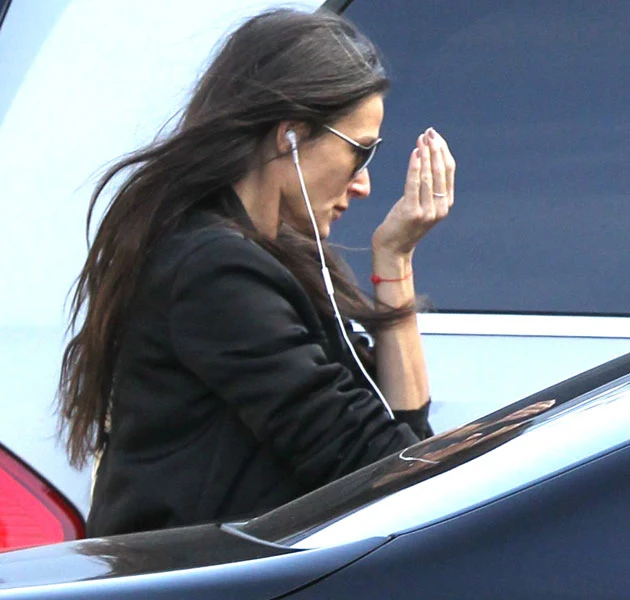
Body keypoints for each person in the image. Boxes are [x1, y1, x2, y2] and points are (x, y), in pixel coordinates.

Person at [57, 7, 455, 537]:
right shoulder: (214, 272)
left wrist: (395, 259)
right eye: (359, 153)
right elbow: (378, 469)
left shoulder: (267, 257)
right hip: (201, 574)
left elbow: (400, 440)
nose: (362, 184)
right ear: (290, 136)